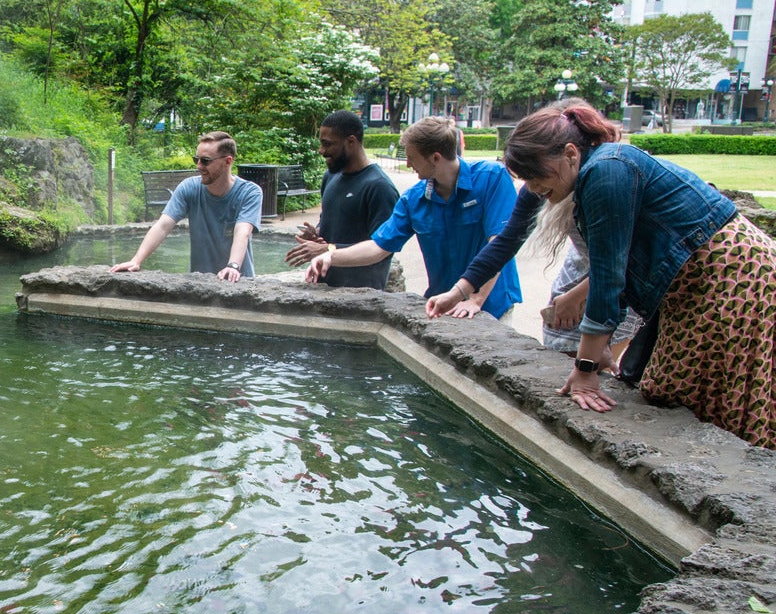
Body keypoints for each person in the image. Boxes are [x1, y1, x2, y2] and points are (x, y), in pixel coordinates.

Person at [428, 102, 776, 449]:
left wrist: (586, 368)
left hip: (732, 274)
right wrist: (457, 292)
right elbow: (506, 241)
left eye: (536, 178)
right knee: (668, 387)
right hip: (687, 285)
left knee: (714, 392)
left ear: (569, 153)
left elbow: (609, 276)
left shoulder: (607, 172)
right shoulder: (566, 174)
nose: (533, 189)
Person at [304, 116, 522, 319]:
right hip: (441, 304)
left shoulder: (491, 178)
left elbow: (500, 245)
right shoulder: (414, 199)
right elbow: (379, 247)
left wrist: (476, 299)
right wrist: (331, 256)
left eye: (411, 157)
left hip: (490, 306)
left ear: (435, 158)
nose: (408, 164)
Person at [111, 130, 262, 281]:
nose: (199, 166)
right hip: (199, 282)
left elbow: (242, 232)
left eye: (205, 161)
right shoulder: (189, 188)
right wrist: (136, 260)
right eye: (196, 159)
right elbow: (162, 226)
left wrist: (233, 266)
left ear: (227, 161)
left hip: (238, 281)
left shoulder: (250, 193)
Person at [283, 111, 398, 289]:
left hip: (361, 295)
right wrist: (317, 234)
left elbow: (382, 248)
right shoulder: (330, 176)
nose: (321, 151)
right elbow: (331, 221)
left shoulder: (379, 187)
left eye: (327, 144)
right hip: (324, 287)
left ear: (351, 141)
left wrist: (327, 250)